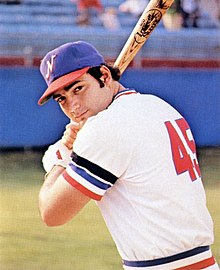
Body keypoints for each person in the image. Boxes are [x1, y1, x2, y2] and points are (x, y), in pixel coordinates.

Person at [38, 41, 219, 270]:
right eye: (62, 98)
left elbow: (52, 214)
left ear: (104, 76)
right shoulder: (158, 105)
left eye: (78, 89)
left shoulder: (105, 127)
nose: (73, 106)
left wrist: (61, 156)